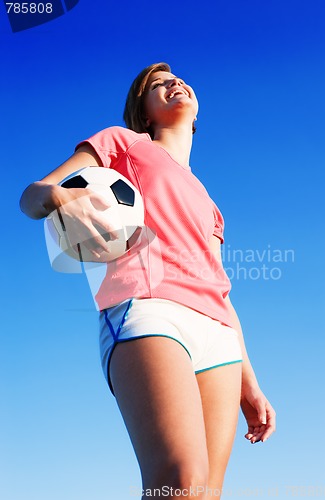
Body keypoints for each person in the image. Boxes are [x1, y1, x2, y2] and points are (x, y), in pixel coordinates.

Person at [20, 62, 276, 499]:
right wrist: (62, 197)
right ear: (143, 111)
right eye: (158, 84)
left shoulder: (211, 205)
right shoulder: (123, 143)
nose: (175, 83)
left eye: (180, 80)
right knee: (178, 482)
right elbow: (33, 195)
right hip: (147, 310)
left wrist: (250, 384)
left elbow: (221, 289)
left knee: (207, 494)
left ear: (197, 114)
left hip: (219, 340)